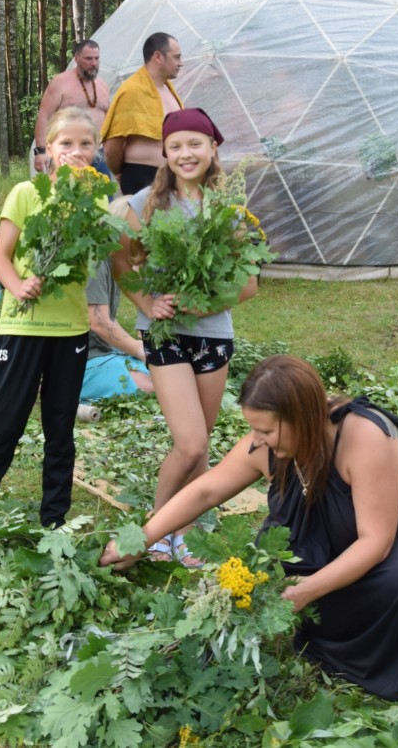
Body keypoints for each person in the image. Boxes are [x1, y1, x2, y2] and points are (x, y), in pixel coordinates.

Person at [100, 355, 398, 700]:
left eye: (265, 431)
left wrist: (308, 589)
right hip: (335, 538)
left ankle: (387, 650)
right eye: (253, 429)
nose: (256, 441)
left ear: (303, 418)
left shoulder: (365, 436)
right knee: (272, 566)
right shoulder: (269, 444)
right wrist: (141, 538)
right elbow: (205, 490)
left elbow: (376, 542)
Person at [111, 108, 257, 562]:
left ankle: (186, 536)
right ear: (165, 153)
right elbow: (121, 263)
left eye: (194, 143)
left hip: (213, 337)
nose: (185, 153)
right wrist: (146, 304)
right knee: (190, 442)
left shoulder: (228, 214)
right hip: (164, 335)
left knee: (200, 448)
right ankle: (156, 531)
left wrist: (203, 304)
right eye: (175, 146)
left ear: (213, 149)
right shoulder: (143, 206)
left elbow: (248, 285)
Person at [0, 107, 110, 523]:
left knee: (60, 428)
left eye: (86, 144)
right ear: (48, 149)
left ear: (96, 151)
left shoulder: (97, 199)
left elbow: (102, 254)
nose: (76, 151)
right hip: (22, 327)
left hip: (70, 330)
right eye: (66, 143)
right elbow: (0, 257)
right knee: (7, 420)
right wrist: (17, 285)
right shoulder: (25, 193)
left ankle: (54, 518)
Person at [80, 198, 155, 403]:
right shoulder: (95, 261)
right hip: (81, 361)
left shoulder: (114, 261)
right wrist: (141, 350)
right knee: (152, 387)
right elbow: (98, 322)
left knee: (165, 378)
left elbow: (107, 318)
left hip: (104, 353)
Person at [100, 32, 184, 195]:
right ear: (158, 57)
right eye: (176, 57)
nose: (181, 63)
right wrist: (120, 171)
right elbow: (112, 147)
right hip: (142, 177)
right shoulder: (132, 91)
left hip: (171, 177)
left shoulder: (168, 90)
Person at [33, 39, 111, 176]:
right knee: (68, 196)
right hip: (67, 154)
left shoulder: (103, 86)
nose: (93, 63)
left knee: (103, 197)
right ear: (76, 58)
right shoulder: (60, 83)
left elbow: (108, 121)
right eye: (88, 59)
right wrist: (40, 152)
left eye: (96, 58)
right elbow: (44, 116)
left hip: (98, 153)